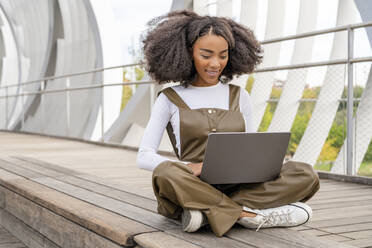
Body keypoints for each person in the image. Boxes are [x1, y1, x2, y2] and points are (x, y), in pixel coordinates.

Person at [137, 10, 320, 237]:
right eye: (206, 55)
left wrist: (271, 162)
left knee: (306, 173)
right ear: (188, 53)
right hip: (192, 183)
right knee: (164, 173)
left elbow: (251, 146)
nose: (215, 64)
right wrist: (189, 168)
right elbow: (144, 155)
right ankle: (246, 215)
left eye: (222, 55)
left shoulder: (240, 95)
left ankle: (206, 212)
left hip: (238, 184)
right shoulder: (169, 98)